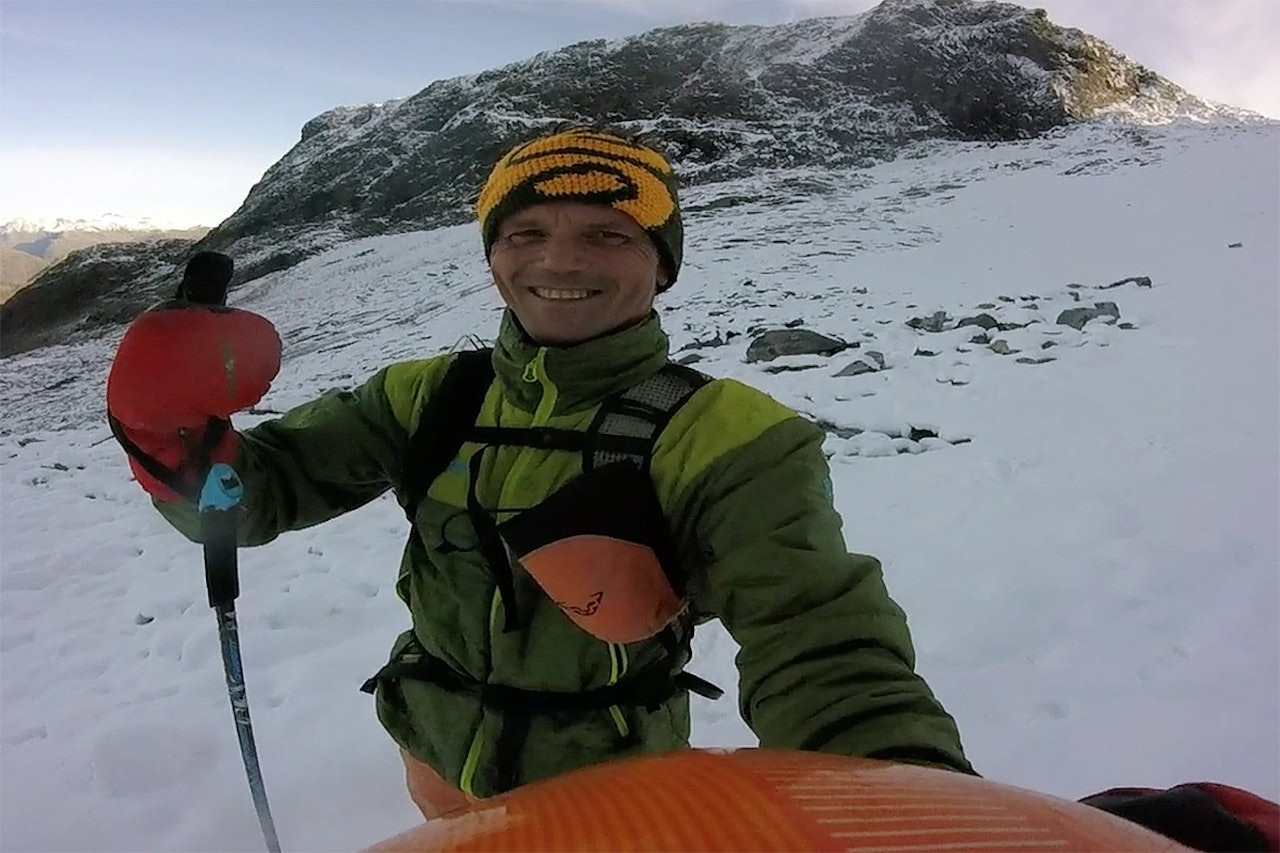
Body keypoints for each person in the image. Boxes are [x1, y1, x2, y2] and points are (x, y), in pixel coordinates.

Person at [105, 126, 979, 819]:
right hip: (437, 758)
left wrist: (906, 803)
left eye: (607, 233)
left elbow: (820, 642)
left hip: (611, 794)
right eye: (526, 232)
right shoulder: (427, 397)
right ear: (494, 257)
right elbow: (253, 499)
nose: (560, 260)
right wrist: (167, 430)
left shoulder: (730, 438)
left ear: (661, 264)